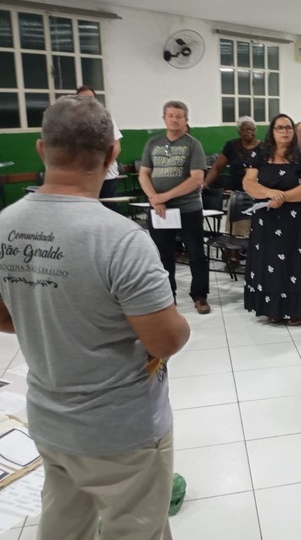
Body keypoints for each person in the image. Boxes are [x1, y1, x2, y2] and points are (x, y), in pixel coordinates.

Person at [0, 96, 190, 539]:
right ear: (111, 155)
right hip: (119, 429)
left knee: (64, 522)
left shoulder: (5, 224)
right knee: (135, 528)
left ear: (42, 150)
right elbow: (164, 341)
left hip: (48, 419)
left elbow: (5, 317)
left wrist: (53, 318)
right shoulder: (120, 239)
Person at [242, 114, 301, 325]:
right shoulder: (259, 154)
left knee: (295, 264)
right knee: (269, 263)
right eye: (280, 127)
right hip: (267, 220)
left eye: (288, 127)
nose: (285, 131)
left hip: (298, 221)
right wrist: (271, 194)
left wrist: (283, 197)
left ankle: (297, 309)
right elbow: (248, 183)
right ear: (272, 131)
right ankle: (273, 308)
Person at [139, 100, 210, 314]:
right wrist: (155, 198)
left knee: (195, 253)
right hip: (160, 210)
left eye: (179, 116)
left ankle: (200, 296)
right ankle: (168, 296)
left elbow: (197, 178)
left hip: (188, 208)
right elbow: (144, 174)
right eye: (170, 115)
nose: (174, 119)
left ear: (186, 120)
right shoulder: (153, 143)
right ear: (164, 118)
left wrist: (164, 196)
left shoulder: (193, 145)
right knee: (163, 254)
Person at [204, 115, 262, 238]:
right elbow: (217, 167)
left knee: (256, 230)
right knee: (236, 232)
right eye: (245, 128)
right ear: (239, 131)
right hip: (236, 195)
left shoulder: (263, 148)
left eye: (252, 129)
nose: (249, 131)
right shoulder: (232, 146)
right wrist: (205, 183)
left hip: (257, 194)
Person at [76, 85, 123, 201]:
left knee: (108, 208)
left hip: (107, 176)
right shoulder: (73, 122)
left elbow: (116, 146)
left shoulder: (106, 119)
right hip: (84, 177)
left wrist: (104, 165)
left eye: (91, 98)